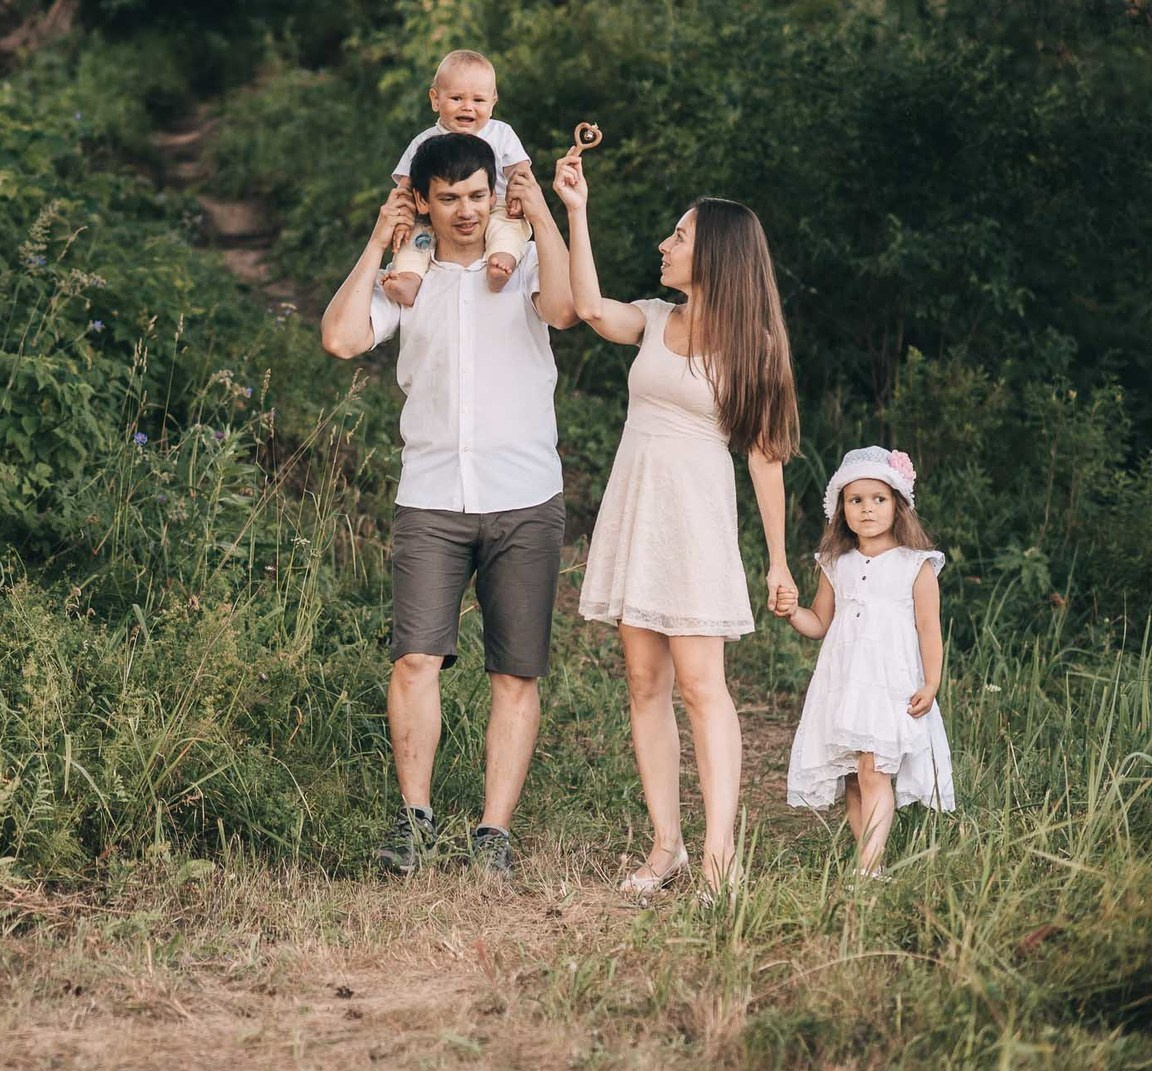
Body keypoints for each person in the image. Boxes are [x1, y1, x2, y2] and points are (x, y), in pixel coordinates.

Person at [320, 132, 576, 877]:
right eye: (450, 198)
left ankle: (493, 834)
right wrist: (378, 240)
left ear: (494, 194)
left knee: (515, 672)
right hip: (431, 493)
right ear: (423, 201)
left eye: (478, 196)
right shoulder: (411, 273)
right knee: (414, 659)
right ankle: (415, 819)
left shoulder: (524, 258)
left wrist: (544, 215)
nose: (466, 211)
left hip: (525, 493)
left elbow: (563, 310)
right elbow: (340, 338)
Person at [554, 155, 799, 898]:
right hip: (638, 512)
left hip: (694, 522)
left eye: (680, 235)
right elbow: (592, 308)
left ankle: (720, 851)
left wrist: (779, 561)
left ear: (715, 254)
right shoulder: (655, 319)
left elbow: (765, 460)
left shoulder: (753, 347)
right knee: (643, 680)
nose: (665, 244)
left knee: (703, 685)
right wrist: (576, 208)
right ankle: (668, 847)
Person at [779, 446, 955, 876]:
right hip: (844, 683)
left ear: (898, 505)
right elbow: (820, 622)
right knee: (856, 777)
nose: (867, 509)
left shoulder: (916, 566)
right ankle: (869, 862)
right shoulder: (835, 563)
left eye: (879, 499)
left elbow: (929, 629)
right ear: (842, 509)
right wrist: (791, 611)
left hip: (889, 684)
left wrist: (931, 683)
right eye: (856, 501)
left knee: (875, 769)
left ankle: (869, 868)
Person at [381, 50, 533, 305]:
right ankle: (409, 278)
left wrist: (520, 197)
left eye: (478, 100)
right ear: (435, 99)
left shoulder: (501, 133)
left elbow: (521, 171)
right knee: (415, 240)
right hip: (432, 213)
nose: (468, 107)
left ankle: (502, 262)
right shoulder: (425, 141)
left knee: (507, 228)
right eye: (456, 98)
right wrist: (402, 219)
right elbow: (405, 187)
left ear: (493, 101)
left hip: (496, 207)